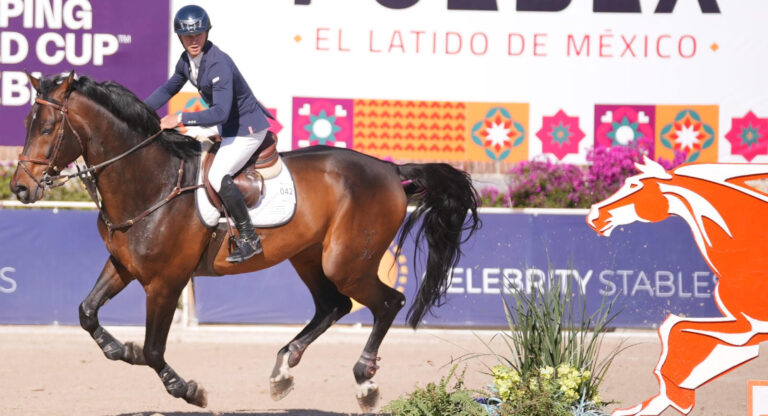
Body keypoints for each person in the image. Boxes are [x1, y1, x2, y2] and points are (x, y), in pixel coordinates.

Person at [145, 5, 272, 263]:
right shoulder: (186, 61)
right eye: (188, 36)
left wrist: (179, 118)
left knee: (216, 175)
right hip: (228, 127)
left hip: (246, 129)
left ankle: (250, 238)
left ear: (206, 33)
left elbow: (220, 113)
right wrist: (138, 112)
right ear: (180, 37)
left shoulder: (218, 64)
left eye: (199, 34)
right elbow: (169, 88)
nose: (194, 40)